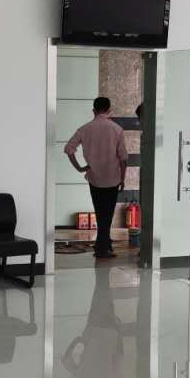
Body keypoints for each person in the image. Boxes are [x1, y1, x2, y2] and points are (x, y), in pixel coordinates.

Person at [65, 96, 128, 260]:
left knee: (100, 214)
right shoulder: (117, 129)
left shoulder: (84, 129)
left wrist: (80, 168)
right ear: (109, 110)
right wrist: (122, 178)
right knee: (108, 214)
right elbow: (123, 158)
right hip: (112, 179)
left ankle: (103, 245)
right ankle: (102, 248)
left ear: (93, 110)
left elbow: (69, 149)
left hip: (95, 179)